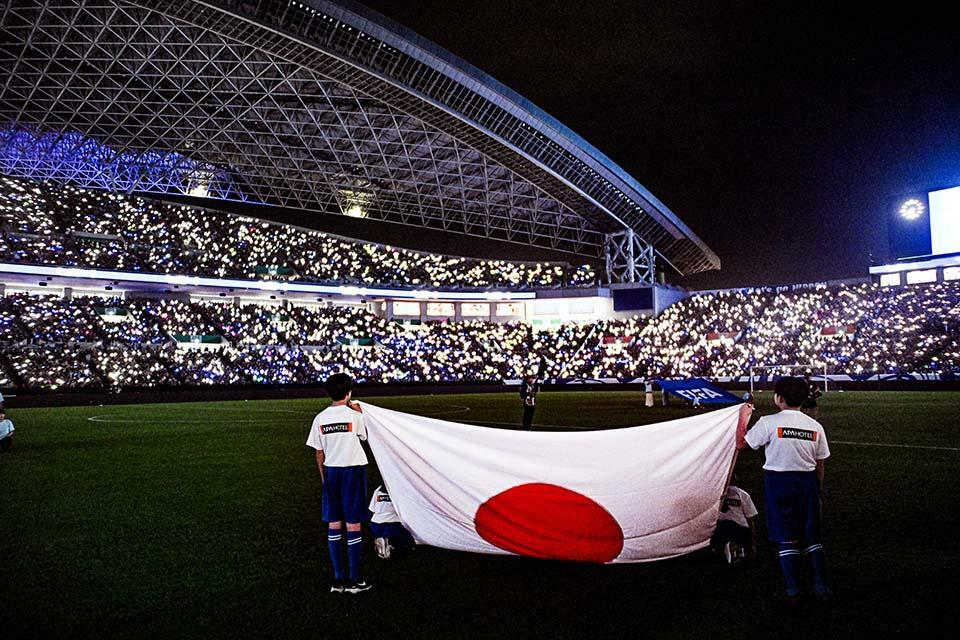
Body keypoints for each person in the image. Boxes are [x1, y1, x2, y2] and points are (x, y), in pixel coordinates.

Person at [737, 376, 831, 602]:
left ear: (778, 398)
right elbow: (820, 462)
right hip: (807, 482)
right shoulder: (815, 426)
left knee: (787, 536)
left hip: (779, 483)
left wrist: (743, 418)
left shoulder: (768, 422)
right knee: (811, 536)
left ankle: (793, 589)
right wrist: (817, 488)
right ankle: (820, 585)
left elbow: (742, 444)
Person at [306, 373, 372, 594]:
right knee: (353, 523)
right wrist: (360, 413)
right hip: (353, 469)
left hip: (332, 471)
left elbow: (318, 453)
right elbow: (365, 438)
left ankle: (338, 580)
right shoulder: (355, 417)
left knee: (334, 523)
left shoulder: (320, 418)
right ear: (349, 392)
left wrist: (325, 478)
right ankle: (354, 580)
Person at [711, 481, 759, 563]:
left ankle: (731, 549)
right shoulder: (742, 494)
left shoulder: (714, 494)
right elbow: (750, 518)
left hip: (723, 529)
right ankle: (734, 550)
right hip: (738, 529)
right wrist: (752, 539)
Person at [369, 485, 415, 559]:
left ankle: (381, 542)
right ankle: (390, 546)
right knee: (409, 542)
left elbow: (372, 510)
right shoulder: (399, 490)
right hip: (392, 526)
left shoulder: (377, 490)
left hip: (375, 526)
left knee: (385, 534)